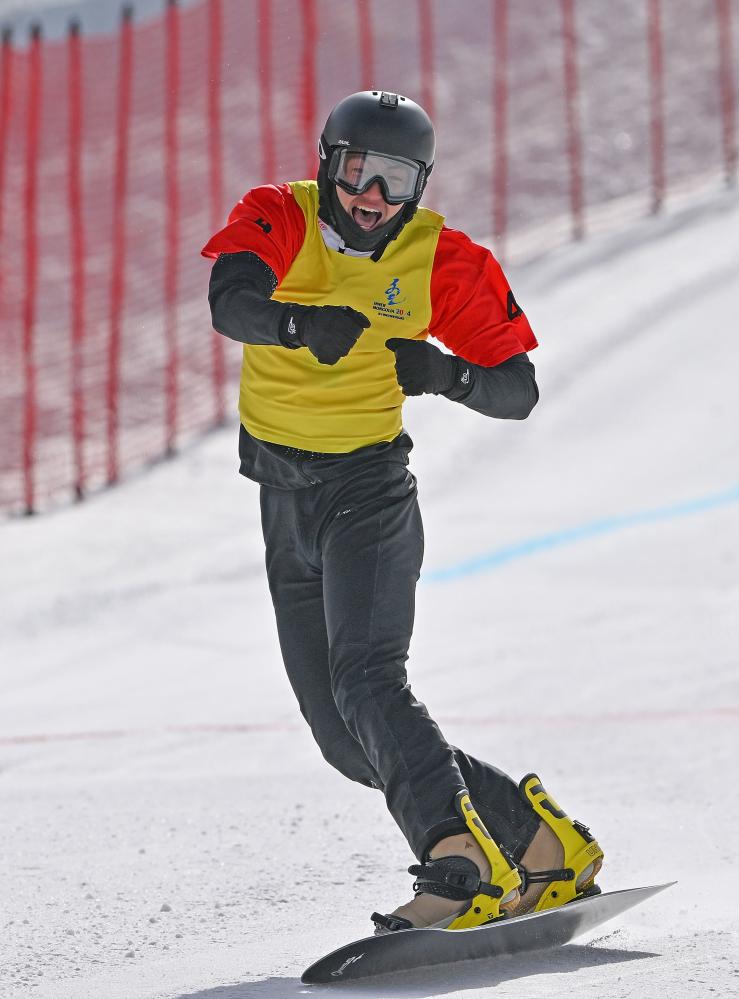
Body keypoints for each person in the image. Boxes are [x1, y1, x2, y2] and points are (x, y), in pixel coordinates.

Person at [201, 90, 603, 932]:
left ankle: (459, 868)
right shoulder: (280, 215)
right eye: (357, 171)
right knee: (346, 739)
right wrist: (296, 323)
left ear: (419, 184)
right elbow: (229, 300)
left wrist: (447, 374)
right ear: (327, 165)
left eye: (394, 179)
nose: (372, 196)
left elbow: (516, 389)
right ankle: (541, 842)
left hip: (368, 491)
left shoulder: (440, 259)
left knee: (367, 680)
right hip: (283, 496)